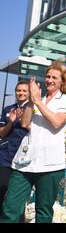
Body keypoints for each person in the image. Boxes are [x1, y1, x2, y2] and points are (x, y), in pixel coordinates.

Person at [0, 61, 66, 223]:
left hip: (50, 165)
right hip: (24, 162)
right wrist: (33, 101)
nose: (50, 80)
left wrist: (38, 102)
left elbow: (56, 123)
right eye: (48, 76)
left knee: (43, 212)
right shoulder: (36, 99)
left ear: (63, 81)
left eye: (54, 77)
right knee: (10, 208)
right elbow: (25, 123)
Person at [0, 81, 30, 214]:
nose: (21, 93)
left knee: (18, 197)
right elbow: (2, 133)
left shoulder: (33, 110)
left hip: (23, 158)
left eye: (24, 91)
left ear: (29, 93)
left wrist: (23, 117)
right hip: (5, 157)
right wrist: (11, 122)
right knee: (1, 191)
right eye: (19, 90)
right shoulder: (8, 109)